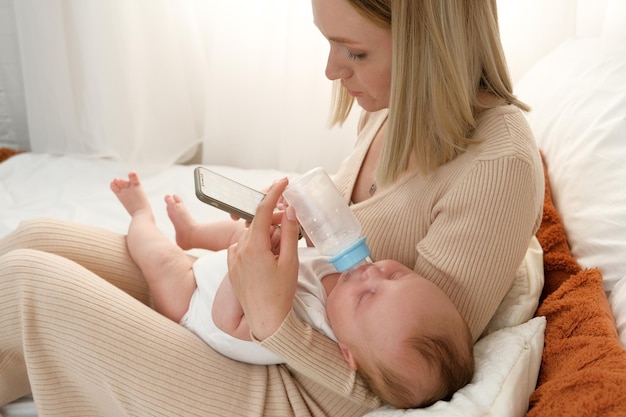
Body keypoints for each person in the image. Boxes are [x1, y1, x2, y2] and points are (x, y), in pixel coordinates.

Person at [0, 0, 544, 415]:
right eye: (330, 44)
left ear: (431, 45)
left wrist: (271, 320)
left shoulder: (498, 167)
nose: (333, 70)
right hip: (252, 328)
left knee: (26, 281)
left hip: (282, 389)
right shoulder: (393, 109)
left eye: (355, 52)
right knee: (35, 238)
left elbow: (399, 382)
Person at [109, 171, 474, 408]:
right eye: (397, 277)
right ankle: (193, 233)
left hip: (196, 301)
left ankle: (141, 215)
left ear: (347, 355)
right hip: (233, 265)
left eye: (366, 297)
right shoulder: (349, 286)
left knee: (158, 259)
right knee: (243, 233)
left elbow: (229, 321)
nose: (372, 275)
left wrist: (248, 268)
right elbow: (314, 256)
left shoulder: (311, 326)